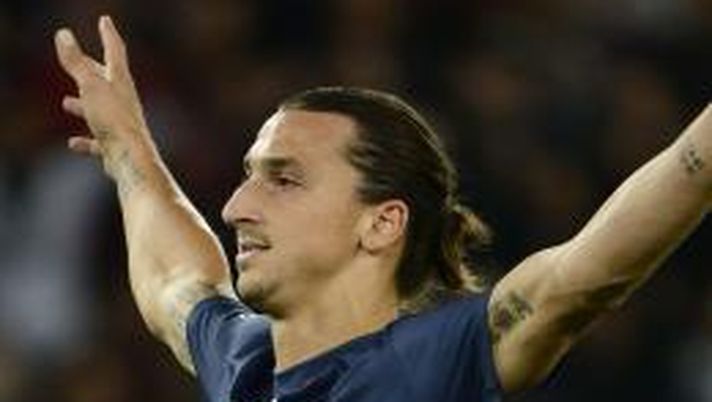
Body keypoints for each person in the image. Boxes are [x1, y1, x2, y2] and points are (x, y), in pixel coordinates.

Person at [53, 16, 710, 402]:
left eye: (284, 180)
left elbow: (583, 278)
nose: (234, 207)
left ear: (382, 223)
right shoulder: (244, 364)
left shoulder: (429, 364)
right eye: (250, 176)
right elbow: (175, 282)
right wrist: (127, 149)